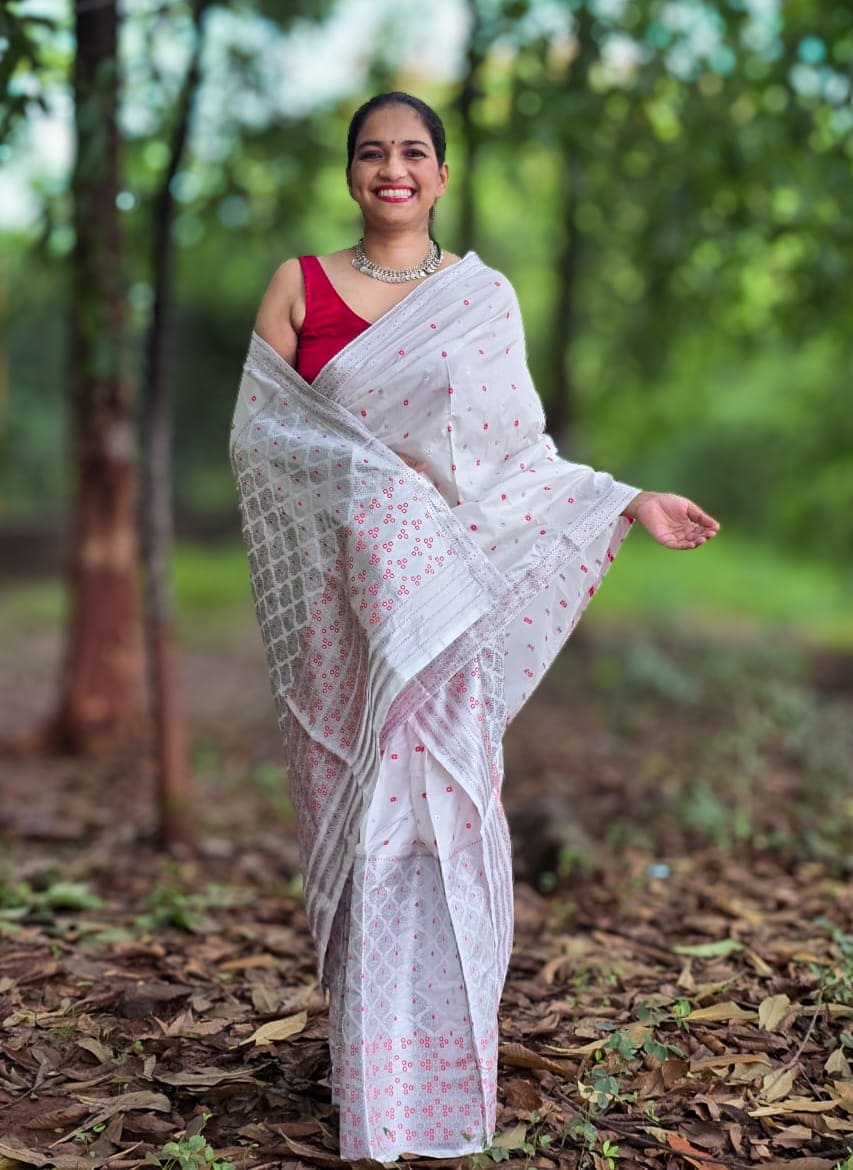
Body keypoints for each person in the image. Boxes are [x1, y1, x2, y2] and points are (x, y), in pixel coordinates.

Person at [231, 92, 719, 1163]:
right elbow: (262, 445)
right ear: (350, 173)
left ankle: (446, 1095)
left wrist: (626, 499)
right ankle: (371, 1088)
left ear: (441, 177)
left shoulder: (479, 298)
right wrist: (369, 476)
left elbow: (518, 459)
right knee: (358, 815)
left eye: (413, 153)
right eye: (371, 153)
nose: (391, 169)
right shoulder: (297, 286)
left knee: (445, 810)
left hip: (436, 595)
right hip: (337, 596)